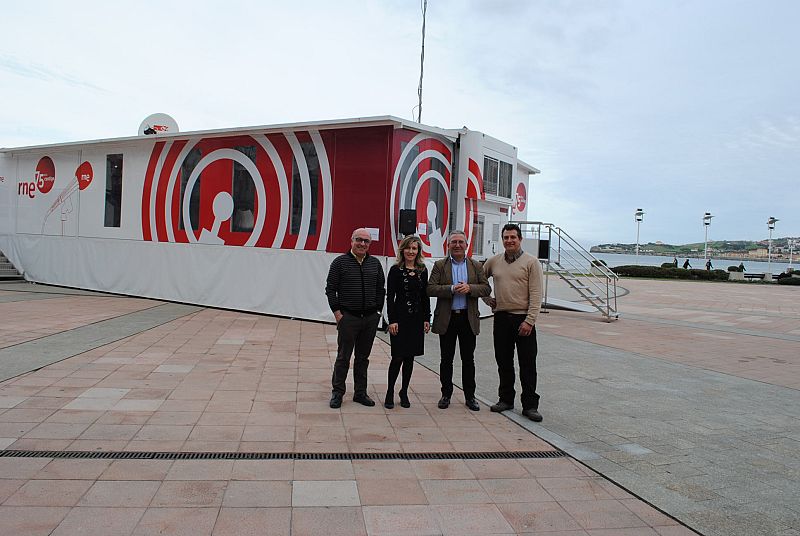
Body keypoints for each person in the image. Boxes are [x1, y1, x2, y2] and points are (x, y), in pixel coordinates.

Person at [483, 223, 544, 422]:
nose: (509, 241)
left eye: (513, 237)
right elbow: (479, 280)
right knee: (504, 362)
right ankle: (506, 399)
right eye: (506, 237)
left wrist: (530, 321)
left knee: (528, 364)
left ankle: (530, 405)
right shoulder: (494, 261)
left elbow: (536, 294)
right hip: (501, 319)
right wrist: (487, 299)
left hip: (523, 319)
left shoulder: (531, 262)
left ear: (520, 239)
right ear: (502, 240)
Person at [427, 230, 491, 411]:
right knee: (446, 359)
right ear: (448, 245)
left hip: (467, 319)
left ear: (466, 245)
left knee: (468, 360)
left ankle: (470, 396)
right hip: (447, 319)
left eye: (460, 242)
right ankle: (446, 394)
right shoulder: (440, 265)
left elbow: (486, 288)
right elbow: (430, 288)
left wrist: (470, 288)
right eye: (453, 242)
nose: (457, 245)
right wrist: (451, 289)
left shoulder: (476, 266)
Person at [326, 228, 386, 409]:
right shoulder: (340, 262)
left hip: (369, 319)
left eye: (366, 241)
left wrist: (377, 311)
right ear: (351, 241)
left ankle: (360, 393)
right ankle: (337, 393)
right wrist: (338, 313)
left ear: (370, 244)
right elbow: (330, 289)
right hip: (348, 318)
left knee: (362, 358)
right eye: (359, 239)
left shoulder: (375, 263)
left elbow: (380, 289)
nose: (362, 244)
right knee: (343, 357)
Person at [385, 236, 431, 409]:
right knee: (397, 357)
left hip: (416, 320)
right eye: (408, 248)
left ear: (418, 251)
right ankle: (390, 390)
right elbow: (390, 297)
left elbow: (425, 296)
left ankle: (404, 391)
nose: (411, 251)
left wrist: (427, 318)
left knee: (410, 358)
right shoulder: (395, 270)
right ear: (402, 250)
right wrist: (392, 320)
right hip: (400, 319)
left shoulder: (423, 270)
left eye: (414, 248)